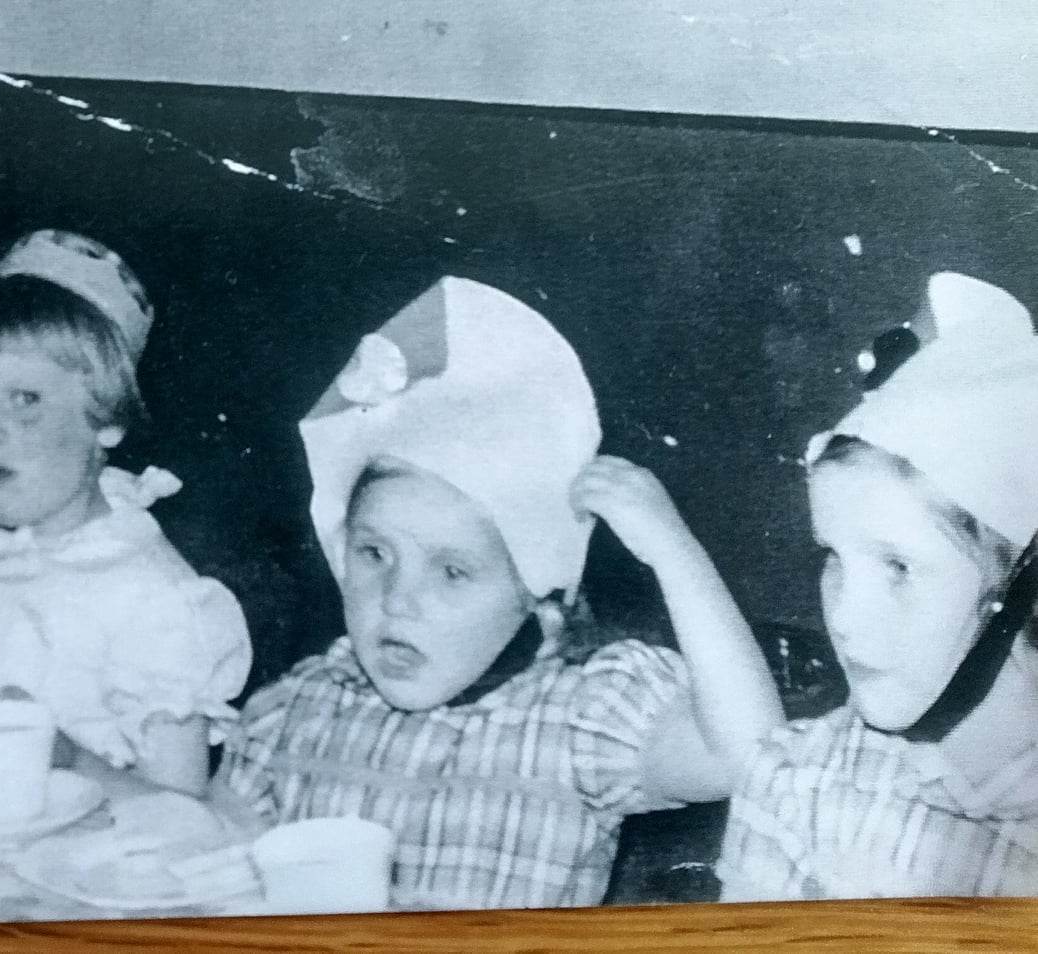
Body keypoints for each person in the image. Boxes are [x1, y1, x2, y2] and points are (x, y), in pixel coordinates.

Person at [220, 277, 784, 910]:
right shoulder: (290, 715)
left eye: (452, 571)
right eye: (374, 553)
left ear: (534, 598)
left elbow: (752, 759)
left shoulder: (576, 723)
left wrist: (674, 552)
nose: (398, 599)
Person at [0, 231, 252, 795]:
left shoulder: (152, 601)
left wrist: (68, 760)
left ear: (105, 420)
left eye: (25, 400)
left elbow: (181, 815)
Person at [718, 273, 1038, 900]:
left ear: (1018, 587)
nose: (846, 617)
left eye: (898, 567)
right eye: (834, 556)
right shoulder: (798, 776)